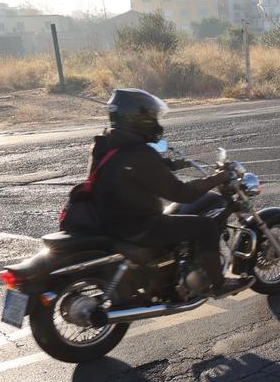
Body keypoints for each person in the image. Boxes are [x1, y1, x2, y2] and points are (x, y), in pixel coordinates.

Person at [90, 88, 241, 296]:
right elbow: (181, 193)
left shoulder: (105, 145)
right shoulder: (140, 153)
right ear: (136, 119)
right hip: (139, 226)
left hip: (110, 222)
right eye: (151, 117)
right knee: (205, 226)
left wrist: (171, 164)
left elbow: (133, 169)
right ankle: (219, 284)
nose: (155, 122)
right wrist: (218, 178)